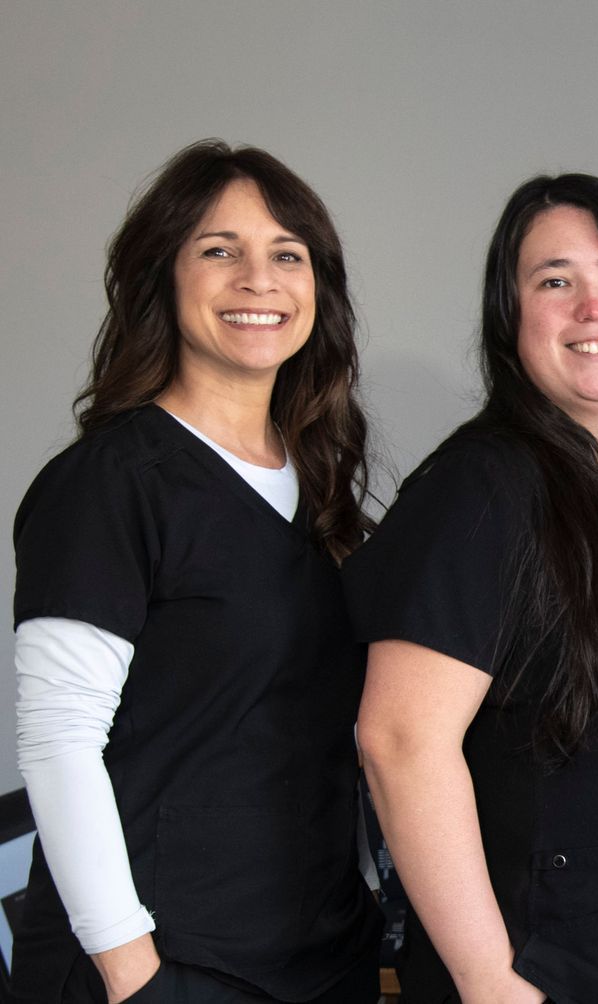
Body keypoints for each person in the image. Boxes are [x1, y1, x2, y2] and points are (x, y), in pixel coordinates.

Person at [348, 174, 598, 1003]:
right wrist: (489, 982)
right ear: (510, 319)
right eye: (554, 281)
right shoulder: (480, 489)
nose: (592, 306)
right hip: (546, 971)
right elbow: (399, 743)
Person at [9, 140, 380, 1003]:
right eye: (220, 251)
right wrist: (132, 972)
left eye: (287, 255)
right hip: (167, 965)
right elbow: (59, 744)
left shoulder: (320, 485)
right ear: (161, 276)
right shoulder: (108, 483)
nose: (259, 279)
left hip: (320, 954)